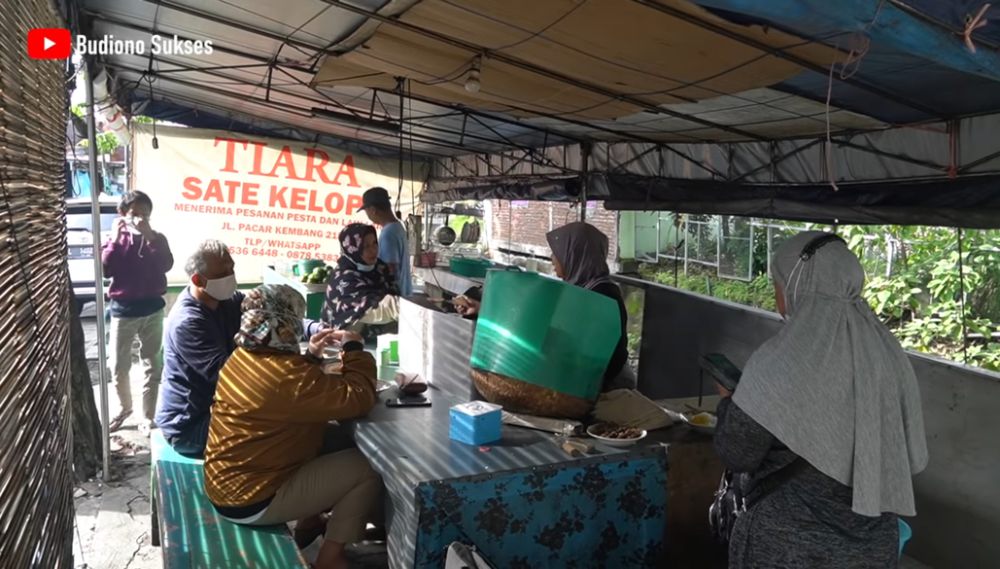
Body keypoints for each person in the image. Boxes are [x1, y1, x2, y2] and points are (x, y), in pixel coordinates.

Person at [712, 231, 929, 568]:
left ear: (798, 285)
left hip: (788, 548)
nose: (776, 292)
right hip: (871, 549)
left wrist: (729, 402)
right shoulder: (888, 352)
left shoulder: (780, 360)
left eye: (778, 281)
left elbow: (737, 452)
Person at [204, 285, 381, 569]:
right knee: (367, 466)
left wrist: (311, 356)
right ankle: (330, 558)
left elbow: (286, 393)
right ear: (285, 323)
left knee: (332, 438)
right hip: (251, 499)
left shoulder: (243, 357)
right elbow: (358, 397)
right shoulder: (288, 378)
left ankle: (310, 520)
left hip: (229, 481)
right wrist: (354, 348)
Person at [455, 222, 633, 392]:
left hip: (609, 389)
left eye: (558, 253)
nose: (552, 258)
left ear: (575, 255)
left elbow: (599, 355)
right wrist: (481, 310)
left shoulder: (602, 295)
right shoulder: (578, 288)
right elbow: (540, 328)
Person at [155, 240, 242, 457]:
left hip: (216, 409)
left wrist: (314, 328)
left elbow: (270, 312)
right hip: (190, 426)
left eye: (232, 268)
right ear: (197, 279)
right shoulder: (188, 322)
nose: (231, 276)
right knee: (273, 432)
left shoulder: (227, 301)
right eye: (223, 272)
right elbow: (229, 375)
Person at [102, 191, 174, 433]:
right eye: (134, 214)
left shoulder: (157, 238)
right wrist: (113, 238)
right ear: (123, 214)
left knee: (153, 364)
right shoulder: (116, 241)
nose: (140, 219)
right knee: (118, 367)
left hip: (153, 309)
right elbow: (106, 269)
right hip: (124, 311)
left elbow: (166, 264)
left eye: (145, 214)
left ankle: (148, 416)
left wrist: (150, 236)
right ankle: (125, 408)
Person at [319, 223, 400, 332]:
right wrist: (403, 307)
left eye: (374, 243)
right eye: (365, 246)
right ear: (353, 249)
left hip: (376, 336)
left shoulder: (379, 267)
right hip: (344, 341)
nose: (373, 250)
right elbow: (372, 309)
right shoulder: (343, 279)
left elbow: (394, 291)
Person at [360, 187, 411, 296]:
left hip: (395, 297)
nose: (368, 215)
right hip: (404, 292)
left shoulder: (388, 233)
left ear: (373, 210)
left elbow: (389, 269)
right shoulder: (398, 227)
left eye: (366, 211)